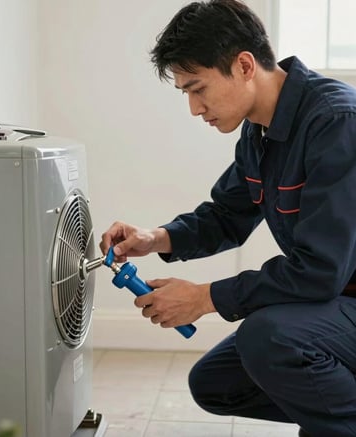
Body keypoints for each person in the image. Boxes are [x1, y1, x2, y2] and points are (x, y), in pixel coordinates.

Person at [99, 1, 356, 436]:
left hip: (339, 294)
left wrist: (204, 298)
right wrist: (154, 238)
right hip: (335, 301)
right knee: (216, 382)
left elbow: (320, 270)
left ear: (243, 65)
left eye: (198, 89)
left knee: (271, 338)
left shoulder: (336, 122)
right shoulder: (258, 132)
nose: (195, 109)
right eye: (185, 93)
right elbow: (226, 215)